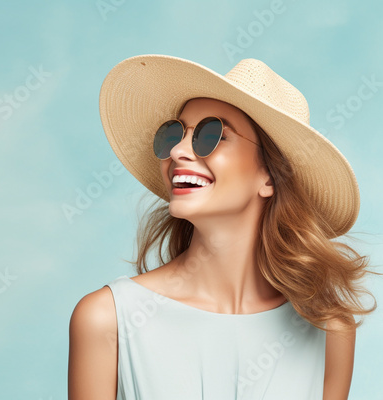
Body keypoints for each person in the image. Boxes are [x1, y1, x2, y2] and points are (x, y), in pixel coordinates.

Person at [67, 54, 380, 400]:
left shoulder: (329, 332)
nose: (179, 151)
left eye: (211, 134)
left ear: (269, 176)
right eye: (174, 134)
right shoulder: (105, 319)